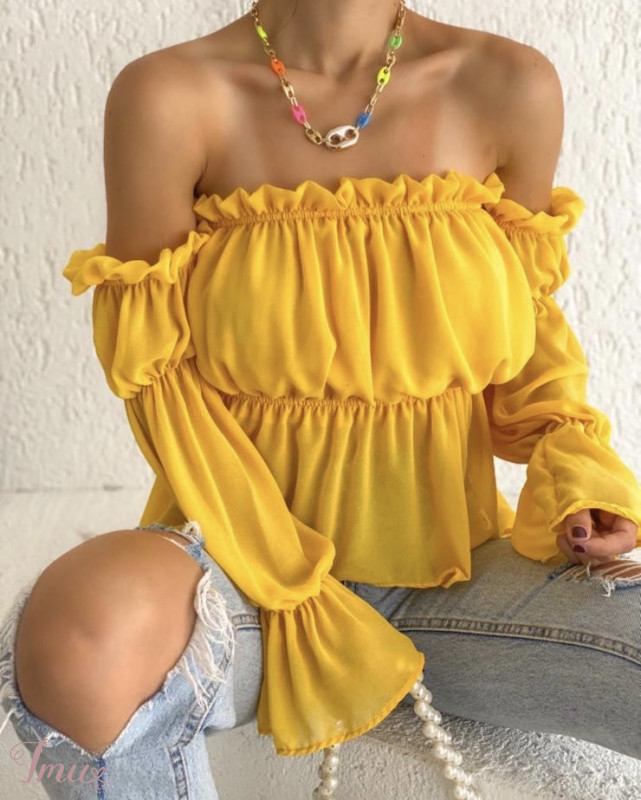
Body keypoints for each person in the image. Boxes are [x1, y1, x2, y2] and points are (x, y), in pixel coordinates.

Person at [2, 0, 641, 798]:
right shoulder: (168, 96)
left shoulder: (509, 84)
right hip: (244, 575)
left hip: (457, 572)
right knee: (73, 630)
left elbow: (530, 322)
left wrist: (577, 469)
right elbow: (158, 382)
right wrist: (281, 572)